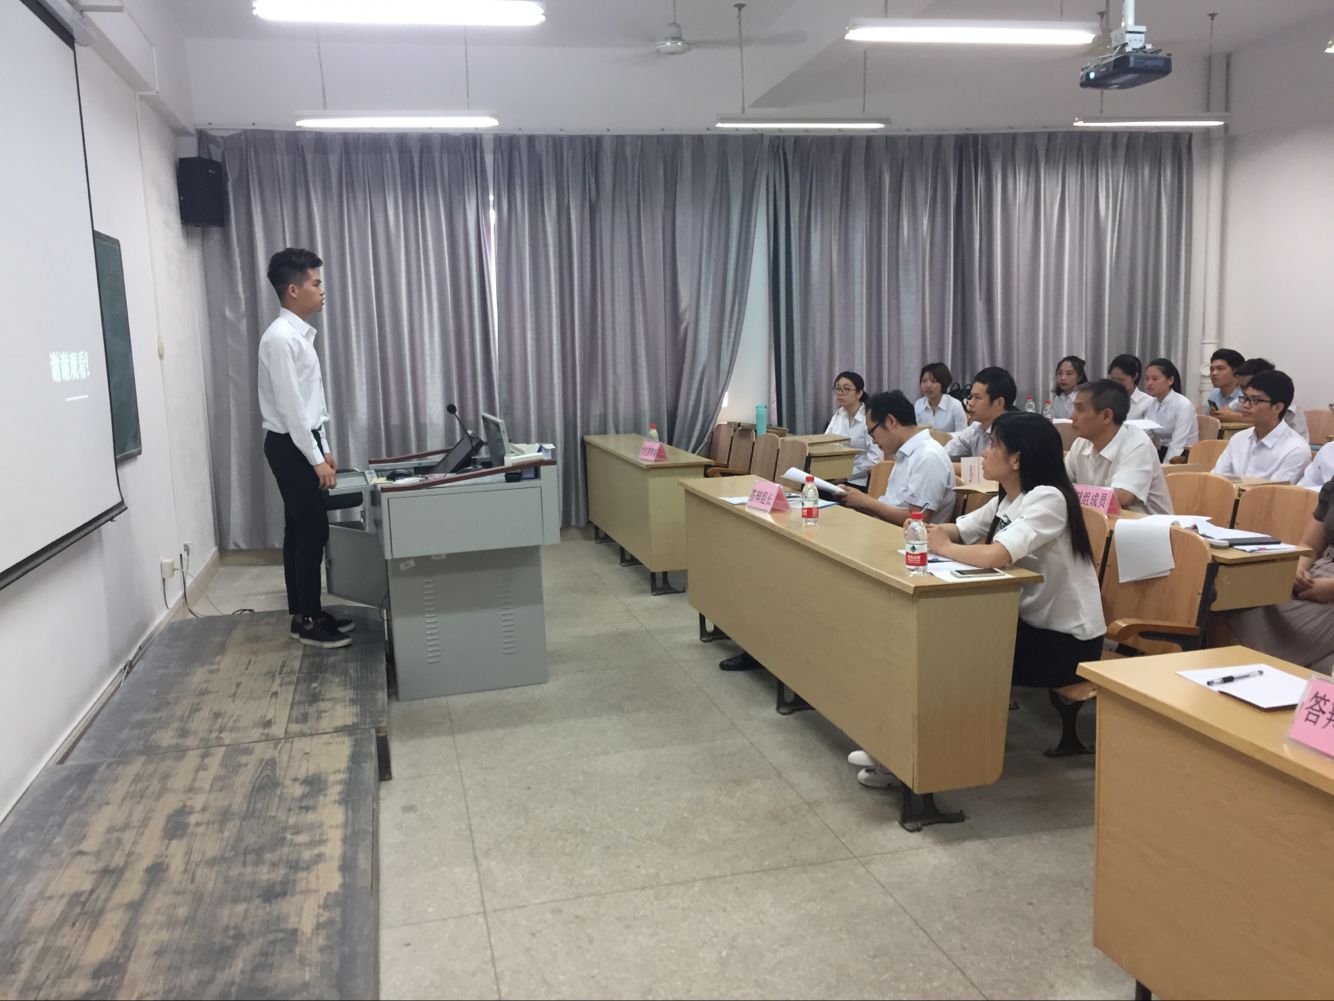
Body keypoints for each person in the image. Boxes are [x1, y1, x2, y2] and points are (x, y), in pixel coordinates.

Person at [850, 413, 1106, 788]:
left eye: (993, 445)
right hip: (1026, 627)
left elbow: (995, 555)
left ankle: (915, 762)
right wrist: (928, 529)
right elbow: (961, 530)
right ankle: (894, 747)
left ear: (1016, 458)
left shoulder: (1049, 499)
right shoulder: (1009, 497)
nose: (984, 453)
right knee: (928, 643)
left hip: (1066, 643)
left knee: (946, 659)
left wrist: (942, 546)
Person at [259, 248, 354, 649]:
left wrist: (324, 446)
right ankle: (309, 621)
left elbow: (313, 402)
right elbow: (292, 410)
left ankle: (304, 613)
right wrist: (315, 459)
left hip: (303, 440)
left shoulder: (299, 336)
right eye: (316, 283)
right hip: (289, 444)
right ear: (294, 290)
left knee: (300, 529)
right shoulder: (280, 339)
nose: (322, 289)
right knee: (311, 531)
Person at [1225, 478, 1334, 675]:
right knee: (1236, 597)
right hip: (1317, 571)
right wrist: (1298, 568)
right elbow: (1309, 546)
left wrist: (1331, 589)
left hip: (1329, 588)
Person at [843, 391, 955, 525]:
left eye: (872, 432)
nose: (873, 441)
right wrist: (858, 502)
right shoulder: (906, 453)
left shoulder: (928, 456)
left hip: (907, 537)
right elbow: (890, 507)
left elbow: (917, 521)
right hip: (887, 529)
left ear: (891, 421)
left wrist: (867, 502)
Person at [1065, 379, 1174, 515]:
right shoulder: (1081, 443)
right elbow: (1058, 481)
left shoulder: (1137, 444)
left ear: (1106, 416)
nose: (1072, 416)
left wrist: (1068, 492)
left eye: (1079, 409)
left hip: (1148, 526)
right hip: (1103, 523)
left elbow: (1121, 497)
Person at [1212, 370, 1311, 484]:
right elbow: (1217, 478)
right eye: (1245, 398)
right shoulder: (1238, 438)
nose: (1246, 405)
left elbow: (1273, 493)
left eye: (1255, 400)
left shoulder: (1296, 450)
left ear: (1278, 407)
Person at [825, 371, 883, 491]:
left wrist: (845, 476)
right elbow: (825, 445)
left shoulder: (869, 418)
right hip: (834, 477)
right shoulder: (838, 415)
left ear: (859, 393)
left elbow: (875, 460)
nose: (840, 393)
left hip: (858, 482)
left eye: (846, 389)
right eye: (838, 389)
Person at [946, 366, 1016, 459]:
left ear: (999, 403)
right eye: (971, 397)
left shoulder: (1013, 435)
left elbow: (991, 467)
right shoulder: (976, 428)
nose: (970, 403)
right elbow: (944, 454)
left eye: (977, 397)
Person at [1233, 357, 1310, 439]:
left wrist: (1238, 416)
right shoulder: (1238, 438)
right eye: (1242, 387)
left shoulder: (1283, 396)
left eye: (1247, 385)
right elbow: (1226, 411)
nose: (1245, 390)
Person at [1143, 357, 1199, 461]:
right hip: (1165, 450)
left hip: (1184, 455)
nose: (1149, 383)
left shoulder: (1183, 405)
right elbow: (1145, 435)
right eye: (1147, 379)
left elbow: (1177, 444)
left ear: (1170, 380)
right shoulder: (1151, 403)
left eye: (1155, 379)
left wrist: (1165, 467)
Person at [914, 362, 967, 432]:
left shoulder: (955, 405)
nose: (928, 385)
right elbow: (915, 431)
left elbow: (962, 434)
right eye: (924, 381)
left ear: (943, 383)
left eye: (933, 381)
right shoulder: (918, 404)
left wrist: (942, 436)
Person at [1107, 354, 1153, 421]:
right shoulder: (1105, 400)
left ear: (1135, 376)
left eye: (1121, 380)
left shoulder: (1148, 402)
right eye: (1113, 379)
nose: (1116, 384)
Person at [1207, 348, 1246, 413]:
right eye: (1212, 370)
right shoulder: (1213, 395)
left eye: (1220, 368)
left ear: (1235, 371)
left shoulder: (1246, 396)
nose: (1214, 373)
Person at [1050, 355, 1087, 420]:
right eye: (1060, 373)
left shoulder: (1085, 399)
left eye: (1069, 374)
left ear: (1080, 377)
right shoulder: (1057, 399)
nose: (1063, 378)